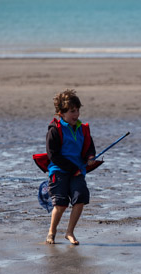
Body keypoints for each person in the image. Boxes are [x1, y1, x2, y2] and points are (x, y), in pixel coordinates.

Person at [45, 89, 96, 245]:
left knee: (80, 199)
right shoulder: (55, 130)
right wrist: (73, 168)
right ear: (61, 113)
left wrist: (90, 157)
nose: (76, 114)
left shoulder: (82, 128)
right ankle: (52, 232)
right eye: (72, 111)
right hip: (59, 171)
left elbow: (89, 147)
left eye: (77, 110)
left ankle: (69, 232)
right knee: (60, 204)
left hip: (78, 171)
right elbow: (53, 155)